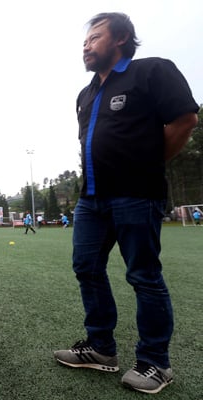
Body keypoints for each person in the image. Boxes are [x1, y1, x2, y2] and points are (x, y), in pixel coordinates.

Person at [53, 13, 199, 395]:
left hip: (137, 195)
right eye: (85, 40)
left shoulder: (151, 71)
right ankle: (101, 348)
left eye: (94, 37)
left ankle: (155, 363)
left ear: (120, 38)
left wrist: (147, 165)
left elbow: (185, 119)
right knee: (86, 267)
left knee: (143, 276)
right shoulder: (85, 94)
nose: (85, 45)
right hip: (91, 199)